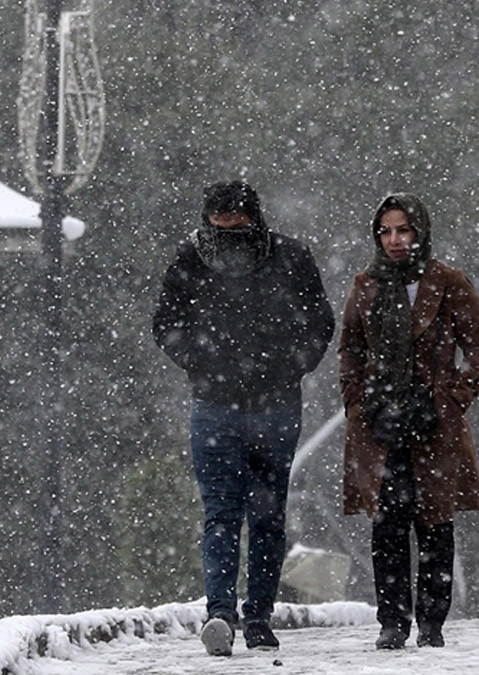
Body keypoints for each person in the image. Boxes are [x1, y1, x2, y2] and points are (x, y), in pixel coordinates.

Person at [153, 181, 335, 656]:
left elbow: (319, 323)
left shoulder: (291, 258)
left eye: (237, 224)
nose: (229, 235)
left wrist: (285, 367)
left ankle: (254, 614)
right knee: (229, 514)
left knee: (259, 517)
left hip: (269, 406)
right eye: (221, 225)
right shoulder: (192, 259)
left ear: (253, 217)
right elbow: (166, 324)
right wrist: (205, 364)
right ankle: (224, 613)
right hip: (220, 405)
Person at [339, 193, 479, 650]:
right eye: (385, 230)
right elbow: (350, 350)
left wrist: (452, 399)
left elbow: (478, 347)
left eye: (403, 229)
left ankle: (431, 623)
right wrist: (359, 405)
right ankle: (392, 622)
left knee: (435, 524)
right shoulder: (366, 284)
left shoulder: (448, 281)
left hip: (434, 424)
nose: (394, 240)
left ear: (419, 231)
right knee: (387, 525)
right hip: (380, 424)